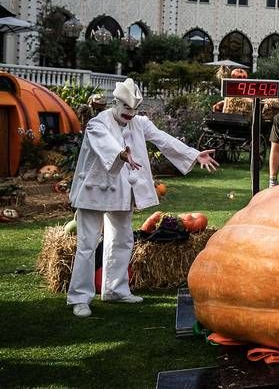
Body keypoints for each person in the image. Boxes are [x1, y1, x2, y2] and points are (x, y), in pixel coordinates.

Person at [67, 78, 219, 318]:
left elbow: (163, 139)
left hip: (121, 190)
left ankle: (115, 289)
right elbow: (104, 143)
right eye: (126, 108)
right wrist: (120, 154)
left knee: (123, 238)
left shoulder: (139, 123)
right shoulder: (98, 123)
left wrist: (193, 154)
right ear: (115, 103)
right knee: (87, 244)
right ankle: (79, 298)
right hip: (94, 190)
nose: (130, 114)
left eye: (134, 109)